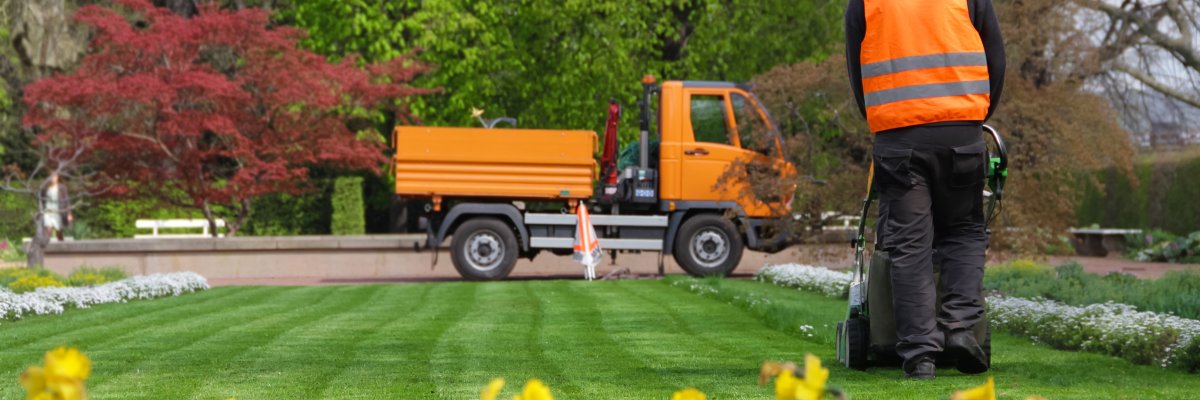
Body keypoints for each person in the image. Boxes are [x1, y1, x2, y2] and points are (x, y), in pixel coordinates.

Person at [844, 0, 1006, 379]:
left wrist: (879, 118)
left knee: (909, 245)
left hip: (898, 137)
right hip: (961, 130)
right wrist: (977, 115)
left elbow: (857, 69)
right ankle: (960, 329)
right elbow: (995, 57)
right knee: (964, 230)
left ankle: (920, 355)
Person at [43, 173, 72, 242]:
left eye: (54, 177)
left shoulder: (62, 188)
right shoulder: (46, 188)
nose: (53, 179)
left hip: (58, 212)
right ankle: (47, 248)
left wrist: (69, 213)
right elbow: (42, 200)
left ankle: (62, 246)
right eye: (51, 177)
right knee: (48, 229)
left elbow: (67, 201)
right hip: (48, 211)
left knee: (58, 231)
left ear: (57, 178)